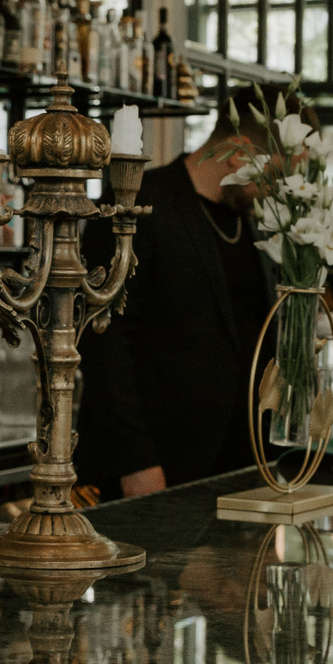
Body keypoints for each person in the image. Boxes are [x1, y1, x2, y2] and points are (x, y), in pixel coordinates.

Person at [76, 101, 277, 499]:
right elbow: (103, 339)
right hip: (163, 462)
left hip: (246, 462)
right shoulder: (139, 202)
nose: (277, 189)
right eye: (276, 174)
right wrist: (135, 463)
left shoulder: (248, 220)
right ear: (239, 154)